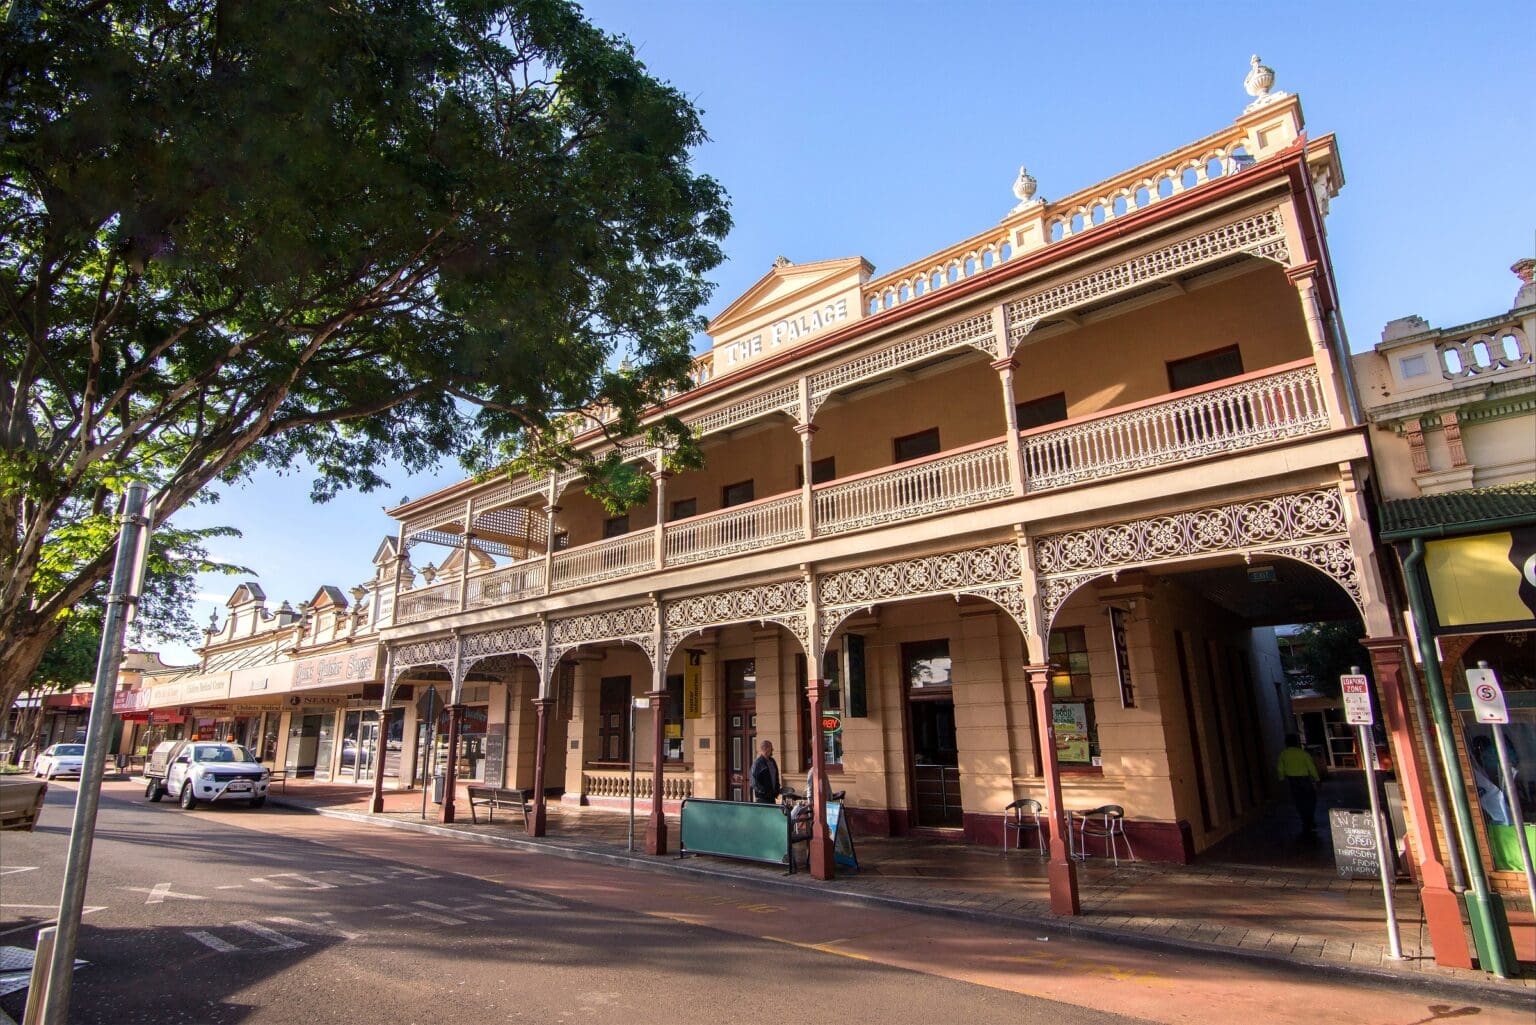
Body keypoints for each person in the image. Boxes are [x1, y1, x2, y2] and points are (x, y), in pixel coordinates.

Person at [1276, 733, 1321, 838]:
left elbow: (1280, 768)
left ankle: (1305, 820)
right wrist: (1317, 779)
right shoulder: (1303, 753)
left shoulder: (1283, 754)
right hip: (1305, 779)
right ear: (1296, 742)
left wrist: (1282, 779)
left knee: (1299, 801)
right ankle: (1310, 819)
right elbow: (1311, 767)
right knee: (1311, 799)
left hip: (1292, 781)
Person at [749, 740, 780, 804]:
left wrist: (777, 789)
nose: (772, 750)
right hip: (762, 799)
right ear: (766, 749)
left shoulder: (772, 761)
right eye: (771, 748)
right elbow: (753, 782)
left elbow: (776, 777)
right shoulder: (757, 763)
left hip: (772, 797)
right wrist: (764, 791)